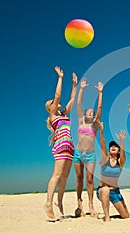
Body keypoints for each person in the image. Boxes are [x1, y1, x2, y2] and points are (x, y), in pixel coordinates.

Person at [44, 66, 77, 219]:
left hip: (70, 146)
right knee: (56, 175)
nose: (57, 102)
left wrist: (75, 85)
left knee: (64, 178)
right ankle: (48, 203)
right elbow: (58, 94)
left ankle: (59, 202)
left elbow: (72, 100)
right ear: (50, 107)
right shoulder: (53, 116)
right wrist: (60, 78)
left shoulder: (64, 114)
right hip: (60, 145)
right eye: (53, 102)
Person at [73, 78, 103, 217]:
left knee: (89, 179)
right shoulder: (81, 122)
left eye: (92, 112)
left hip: (90, 155)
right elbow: (78, 104)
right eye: (89, 112)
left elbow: (100, 109)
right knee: (79, 178)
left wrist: (100, 93)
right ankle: (79, 204)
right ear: (85, 114)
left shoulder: (95, 125)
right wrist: (82, 88)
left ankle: (91, 206)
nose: (91, 113)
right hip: (79, 153)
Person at [96, 120, 129, 222]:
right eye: (111, 146)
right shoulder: (105, 159)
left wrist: (122, 141)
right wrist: (101, 131)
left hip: (114, 191)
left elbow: (123, 156)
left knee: (125, 215)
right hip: (102, 190)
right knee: (105, 189)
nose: (113, 147)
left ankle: (113, 205)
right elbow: (103, 144)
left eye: (115, 146)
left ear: (118, 150)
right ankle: (107, 217)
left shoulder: (120, 162)